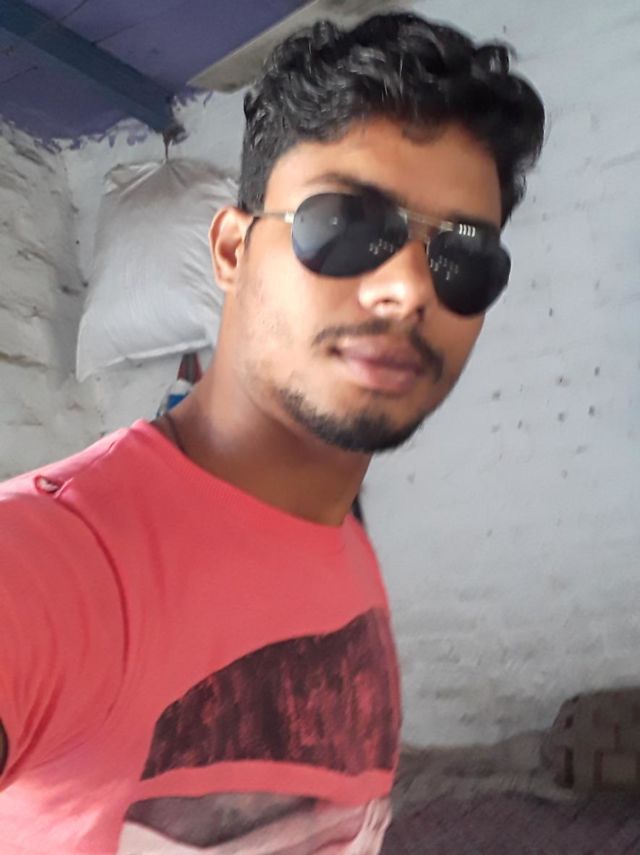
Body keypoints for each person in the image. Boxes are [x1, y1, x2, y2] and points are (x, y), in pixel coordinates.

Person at [0, 11, 545, 854]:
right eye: (347, 224)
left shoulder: (340, 527)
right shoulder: (62, 559)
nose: (408, 289)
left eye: (464, 258)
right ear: (230, 249)